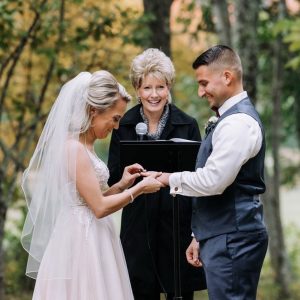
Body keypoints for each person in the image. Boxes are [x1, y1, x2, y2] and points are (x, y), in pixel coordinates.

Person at [21, 70, 163, 300]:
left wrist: (123, 184)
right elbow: (98, 207)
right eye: (115, 118)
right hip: (80, 241)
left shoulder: (86, 146)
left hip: (97, 234)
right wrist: (139, 189)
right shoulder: (73, 149)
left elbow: (93, 197)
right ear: (93, 110)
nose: (116, 127)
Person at [157, 45, 269, 300]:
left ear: (227, 77)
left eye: (204, 83)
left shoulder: (238, 123)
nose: (200, 91)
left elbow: (214, 181)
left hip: (233, 238)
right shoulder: (229, 119)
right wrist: (200, 235)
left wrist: (167, 178)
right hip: (223, 235)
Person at [108, 48, 206, 300]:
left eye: (160, 87)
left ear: (169, 87)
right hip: (137, 230)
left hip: (177, 229)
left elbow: (199, 183)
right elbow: (113, 179)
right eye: (147, 88)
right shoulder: (123, 125)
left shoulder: (188, 125)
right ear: (137, 90)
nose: (154, 95)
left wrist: (197, 234)